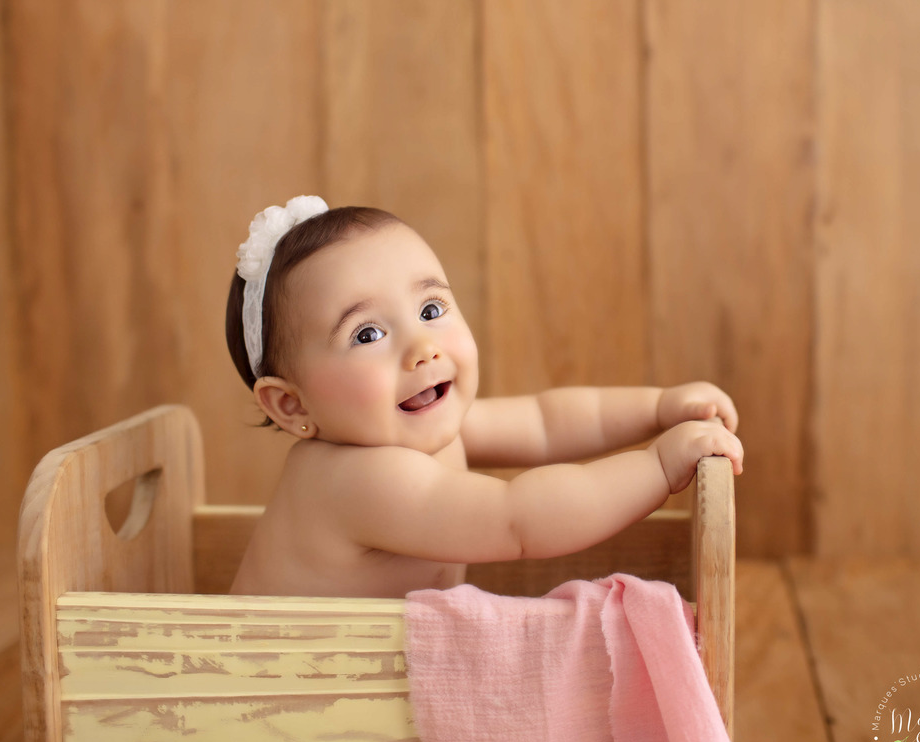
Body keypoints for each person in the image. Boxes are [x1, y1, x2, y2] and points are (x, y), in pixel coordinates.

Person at [225, 196, 743, 598]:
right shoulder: (354, 480)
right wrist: (657, 467)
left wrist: (658, 408)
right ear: (293, 406)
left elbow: (547, 422)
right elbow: (519, 519)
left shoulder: (419, 428)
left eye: (430, 311)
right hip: (270, 696)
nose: (422, 349)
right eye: (368, 334)